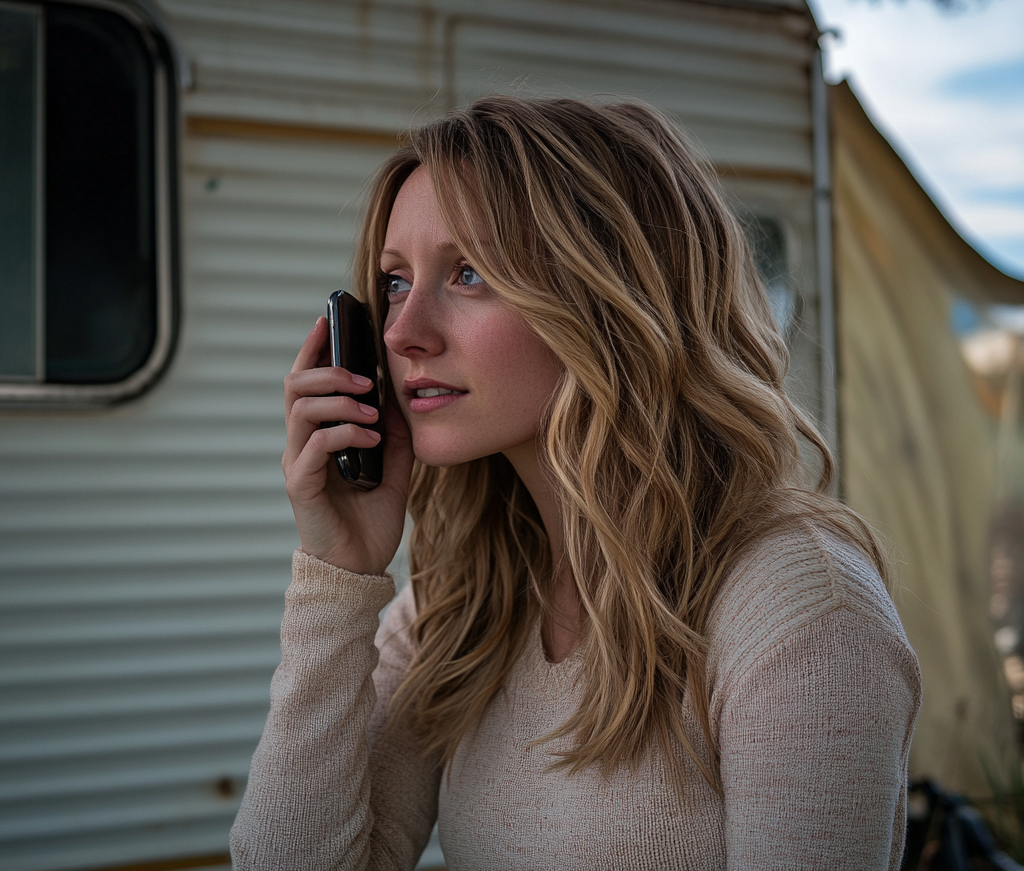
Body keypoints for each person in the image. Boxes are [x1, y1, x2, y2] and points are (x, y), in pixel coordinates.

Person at [230, 96, 921, 870]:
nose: (401, 331)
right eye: (394, 282)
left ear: (611, 300)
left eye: (469, 273)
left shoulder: (798, 612)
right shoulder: (461, 604)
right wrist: (340, 572)